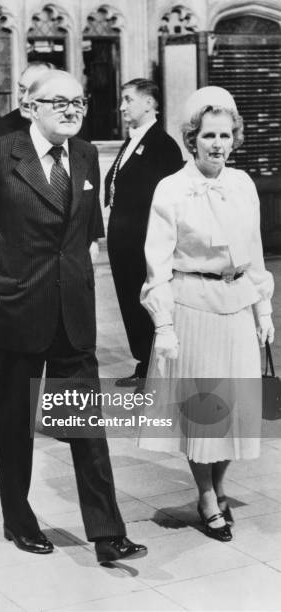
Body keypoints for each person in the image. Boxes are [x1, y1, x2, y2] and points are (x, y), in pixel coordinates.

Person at [0, 70, 147, 563]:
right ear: (29, 106)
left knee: (85, 421)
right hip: (17, 308)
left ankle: (107, 532)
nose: (72, 110)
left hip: (72, 311)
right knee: (16, 422)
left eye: (79, 101)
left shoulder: (88, 154)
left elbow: (88, 231)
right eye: (59, 102)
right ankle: (17, 517)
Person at [139, 86, 274, 542]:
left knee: (232, 410)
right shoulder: (172, 189)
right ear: (192, 138)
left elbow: (253, 253)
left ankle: (219, 487)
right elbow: (156, 261)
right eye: (208, 135)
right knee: (203, 413)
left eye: (225, 135)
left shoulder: (242, 185)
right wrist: (164, 325)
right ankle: (206, 496)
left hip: (235, 307)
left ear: (234, 138)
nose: (217, 144)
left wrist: (263, 309)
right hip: (192, 306)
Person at [105, 78, 183, 387]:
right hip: (124, 239)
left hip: (144, 239)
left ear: (149, 103)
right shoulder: (133, 140)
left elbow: (167, 200)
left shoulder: (162, 145)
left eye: (128, 99)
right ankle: (144, 363)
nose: (122, 106)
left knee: (148, 299)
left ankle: (158, 368)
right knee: (129, 301)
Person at [0, 61, 54, 137]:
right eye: (22, 90)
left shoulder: (66, 124)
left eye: (33, 91)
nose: (24, 100)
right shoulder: (1, 131)